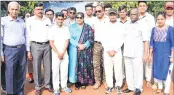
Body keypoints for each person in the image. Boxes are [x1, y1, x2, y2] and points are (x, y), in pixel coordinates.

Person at [1, 2, 28, 95]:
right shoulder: (3, 21)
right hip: (9, 50)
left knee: (21, 72)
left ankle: (20, 92)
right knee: (10, 73)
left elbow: (26, 36)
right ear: (8, 10)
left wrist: (27, 50)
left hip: (21, 49)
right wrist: (1, 53)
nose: (14, 11)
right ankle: (11, 93)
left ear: (19, 10)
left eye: (16, 9)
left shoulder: (22, 21)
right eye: (12, 9)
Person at [26, 3, 53, 95]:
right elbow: (28, 35)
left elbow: (51, 33)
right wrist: (28, 50)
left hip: (47, 45)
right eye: (37, 9)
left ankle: (48, 85)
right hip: (35, 45)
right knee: (36, 66)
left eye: (41, 9)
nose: (39, 11)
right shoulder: (29, 20)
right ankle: (38, 86)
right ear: (34, 10)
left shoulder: (48, 20)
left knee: (48, 66)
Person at [123, 8, 149, 95]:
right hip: (127, 52)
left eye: (134, 14)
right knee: (128, 71)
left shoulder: (143, 24)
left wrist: (146, 54)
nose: (132, 16)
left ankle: (138, 88)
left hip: (137, 53)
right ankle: (130, 87)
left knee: (138, 71)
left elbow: (146, 40)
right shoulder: (127, 24)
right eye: (131, 14)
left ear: (138, 15)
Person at [68, 12, 94, 90]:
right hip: (74, 49)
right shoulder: (71, 27)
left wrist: (84, 46)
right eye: (77, 17)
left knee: (84, 65)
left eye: (80, 17)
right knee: (75, 65)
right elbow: (70, 38)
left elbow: (91, 38)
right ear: (75, 18)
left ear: (83, 18)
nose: (79, 19)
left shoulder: (88, 27)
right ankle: (76, 81)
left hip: (85, 50)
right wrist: (78, 45)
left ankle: (84, 82)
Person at [149, 12, 174, 95]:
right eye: (158, 19)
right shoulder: (154, 29)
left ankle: (166, 91)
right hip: (156, 54)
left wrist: (172, 56)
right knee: (157, 70)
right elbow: (151, 43)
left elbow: (173, 44)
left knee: (167, 73)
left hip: (167, 55)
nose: (160, 21)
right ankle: (160, 87)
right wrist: (150, 54)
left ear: (165, 19)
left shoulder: (170, 29)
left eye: (162, 19)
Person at [102, 8, 124, 94]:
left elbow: (122, 39)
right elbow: (102, 39)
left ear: (116, 15)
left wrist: (115, 50)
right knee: (108, 69)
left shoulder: (121, 25)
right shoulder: (104, 25)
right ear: (108, 15)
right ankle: (110, 86)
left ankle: (118, 86)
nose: (112, 16)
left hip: (117, 51)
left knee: (118, 69)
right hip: (107, 51)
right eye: (111, 14)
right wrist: (108, 50)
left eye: (114, 14)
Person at [49, 12, 72, 95]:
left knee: (64, 70)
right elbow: (51, 42)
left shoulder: (66, 28)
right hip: (55, 53)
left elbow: (67, 41)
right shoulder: (52, 29)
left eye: (61, 19)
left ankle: (64, 86)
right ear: (55, 19)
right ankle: (56, 88)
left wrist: (62, 52)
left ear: (63, 19)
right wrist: (58, 53)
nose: (60, 21)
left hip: (64, 52)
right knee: (55, 70)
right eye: (58, 19)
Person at [138, 1, 155, 87]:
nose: (142, 7)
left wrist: (151, 45)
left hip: (147, 41)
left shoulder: (150, 18)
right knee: (139, 61)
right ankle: (140, 78)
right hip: (137, 43)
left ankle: (148, 79)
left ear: (146, 7)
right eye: (140, 6)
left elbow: (153, 32)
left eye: (143, 6)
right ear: (138, 7)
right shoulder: (135, 17)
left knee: (148, 61)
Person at [93, 4, 109, 89]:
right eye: (96, 11)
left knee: (105, 63)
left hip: (106, 44)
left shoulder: (108, 19)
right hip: (96, 44)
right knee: (96, 64)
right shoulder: (94, 20)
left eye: (99, 11)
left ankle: (105, 81)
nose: (98, 13)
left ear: (103, 11)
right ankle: (97, 81)